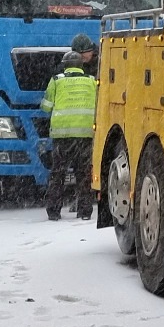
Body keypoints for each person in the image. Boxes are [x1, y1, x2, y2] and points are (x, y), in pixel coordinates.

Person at [42, 34, 99, 220]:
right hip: (85, 134)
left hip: (62, 135)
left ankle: (54, 211)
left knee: (57, 174)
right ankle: (84, 211)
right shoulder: (92, 80)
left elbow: (46, 107)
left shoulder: (57, 80)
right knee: (83, 174)